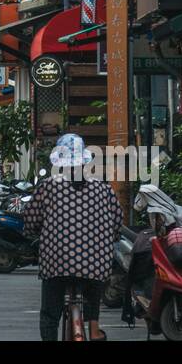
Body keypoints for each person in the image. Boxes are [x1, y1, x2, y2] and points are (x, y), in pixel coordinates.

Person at [21, 133, 121, 341]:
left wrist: (34, 231)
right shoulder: (103, 189)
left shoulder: (49, 186)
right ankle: (94, 327)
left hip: (56, 263)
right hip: (96, 263)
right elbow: (117, 221)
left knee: (50, 313)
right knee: (94, 283)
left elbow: (31, 218)